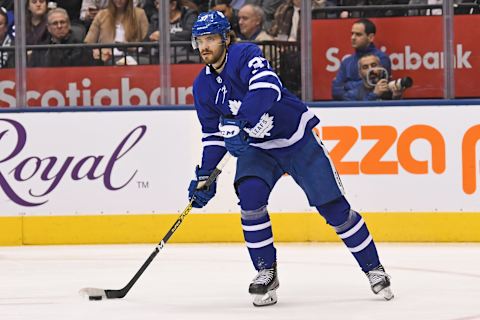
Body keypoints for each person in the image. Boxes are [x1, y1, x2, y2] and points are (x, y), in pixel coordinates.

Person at [188, 11, 394, 307]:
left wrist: (242, 122)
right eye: (200, 41)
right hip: (257, 149)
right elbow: (213, 136)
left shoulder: (245, 54)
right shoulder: (202, 86)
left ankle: (374, 268)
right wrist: (206, 176)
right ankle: (265, 272)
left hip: (296, 139)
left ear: (225, 38)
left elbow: (267, 88)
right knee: (250, 198)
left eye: (210, 39)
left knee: (334, 209)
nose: (205, 46)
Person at [331, 18, 391, 101]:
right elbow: (336, 92)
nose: (353, 37)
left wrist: (347, 86)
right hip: (349, 109)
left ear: (371, 37)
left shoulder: (381, 58)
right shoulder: (346, 62)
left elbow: (374, 84)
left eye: (358, 34)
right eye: (352, 34)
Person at [84, 0, 148, 65]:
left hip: (132, 58)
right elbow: (88, 42)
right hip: (106, 58)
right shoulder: (101, 15)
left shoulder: (140, 14)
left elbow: (147, 42)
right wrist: (96, 51)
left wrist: (131, 48)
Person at [29, 8, 94, 67]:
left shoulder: (83, 49)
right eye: (55, 23)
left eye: (62, 22)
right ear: (48, 28)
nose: (59, 26)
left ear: (69, 25)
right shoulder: (40, 50)